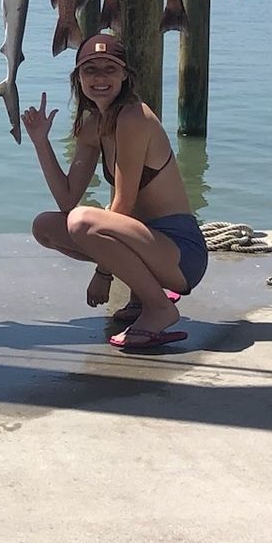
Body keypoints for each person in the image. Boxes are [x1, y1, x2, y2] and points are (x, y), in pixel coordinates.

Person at [24, 33, 208, 350]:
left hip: (181, 252)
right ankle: (142, 296)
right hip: (146, 243)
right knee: (46, 226)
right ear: (77, 77)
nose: (100, 78)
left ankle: (160, 307)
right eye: (90, 69)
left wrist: (103, 274)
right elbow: (67, 198)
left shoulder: (134, 117)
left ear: (125, 75)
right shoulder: (93, 124)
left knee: (83, 221)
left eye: (109, 69)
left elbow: (123, 204)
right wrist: (41, 141)